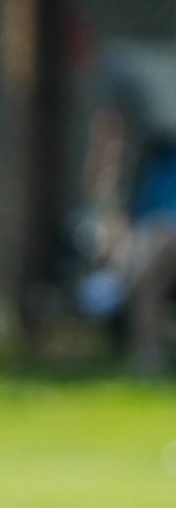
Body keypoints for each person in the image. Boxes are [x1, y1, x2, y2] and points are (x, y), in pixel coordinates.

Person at [74, 37, 176, 374]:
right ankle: (145, 355)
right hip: (149, 235)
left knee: (155, 246)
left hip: (161, 237)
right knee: (133, 254)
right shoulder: (158, 158)